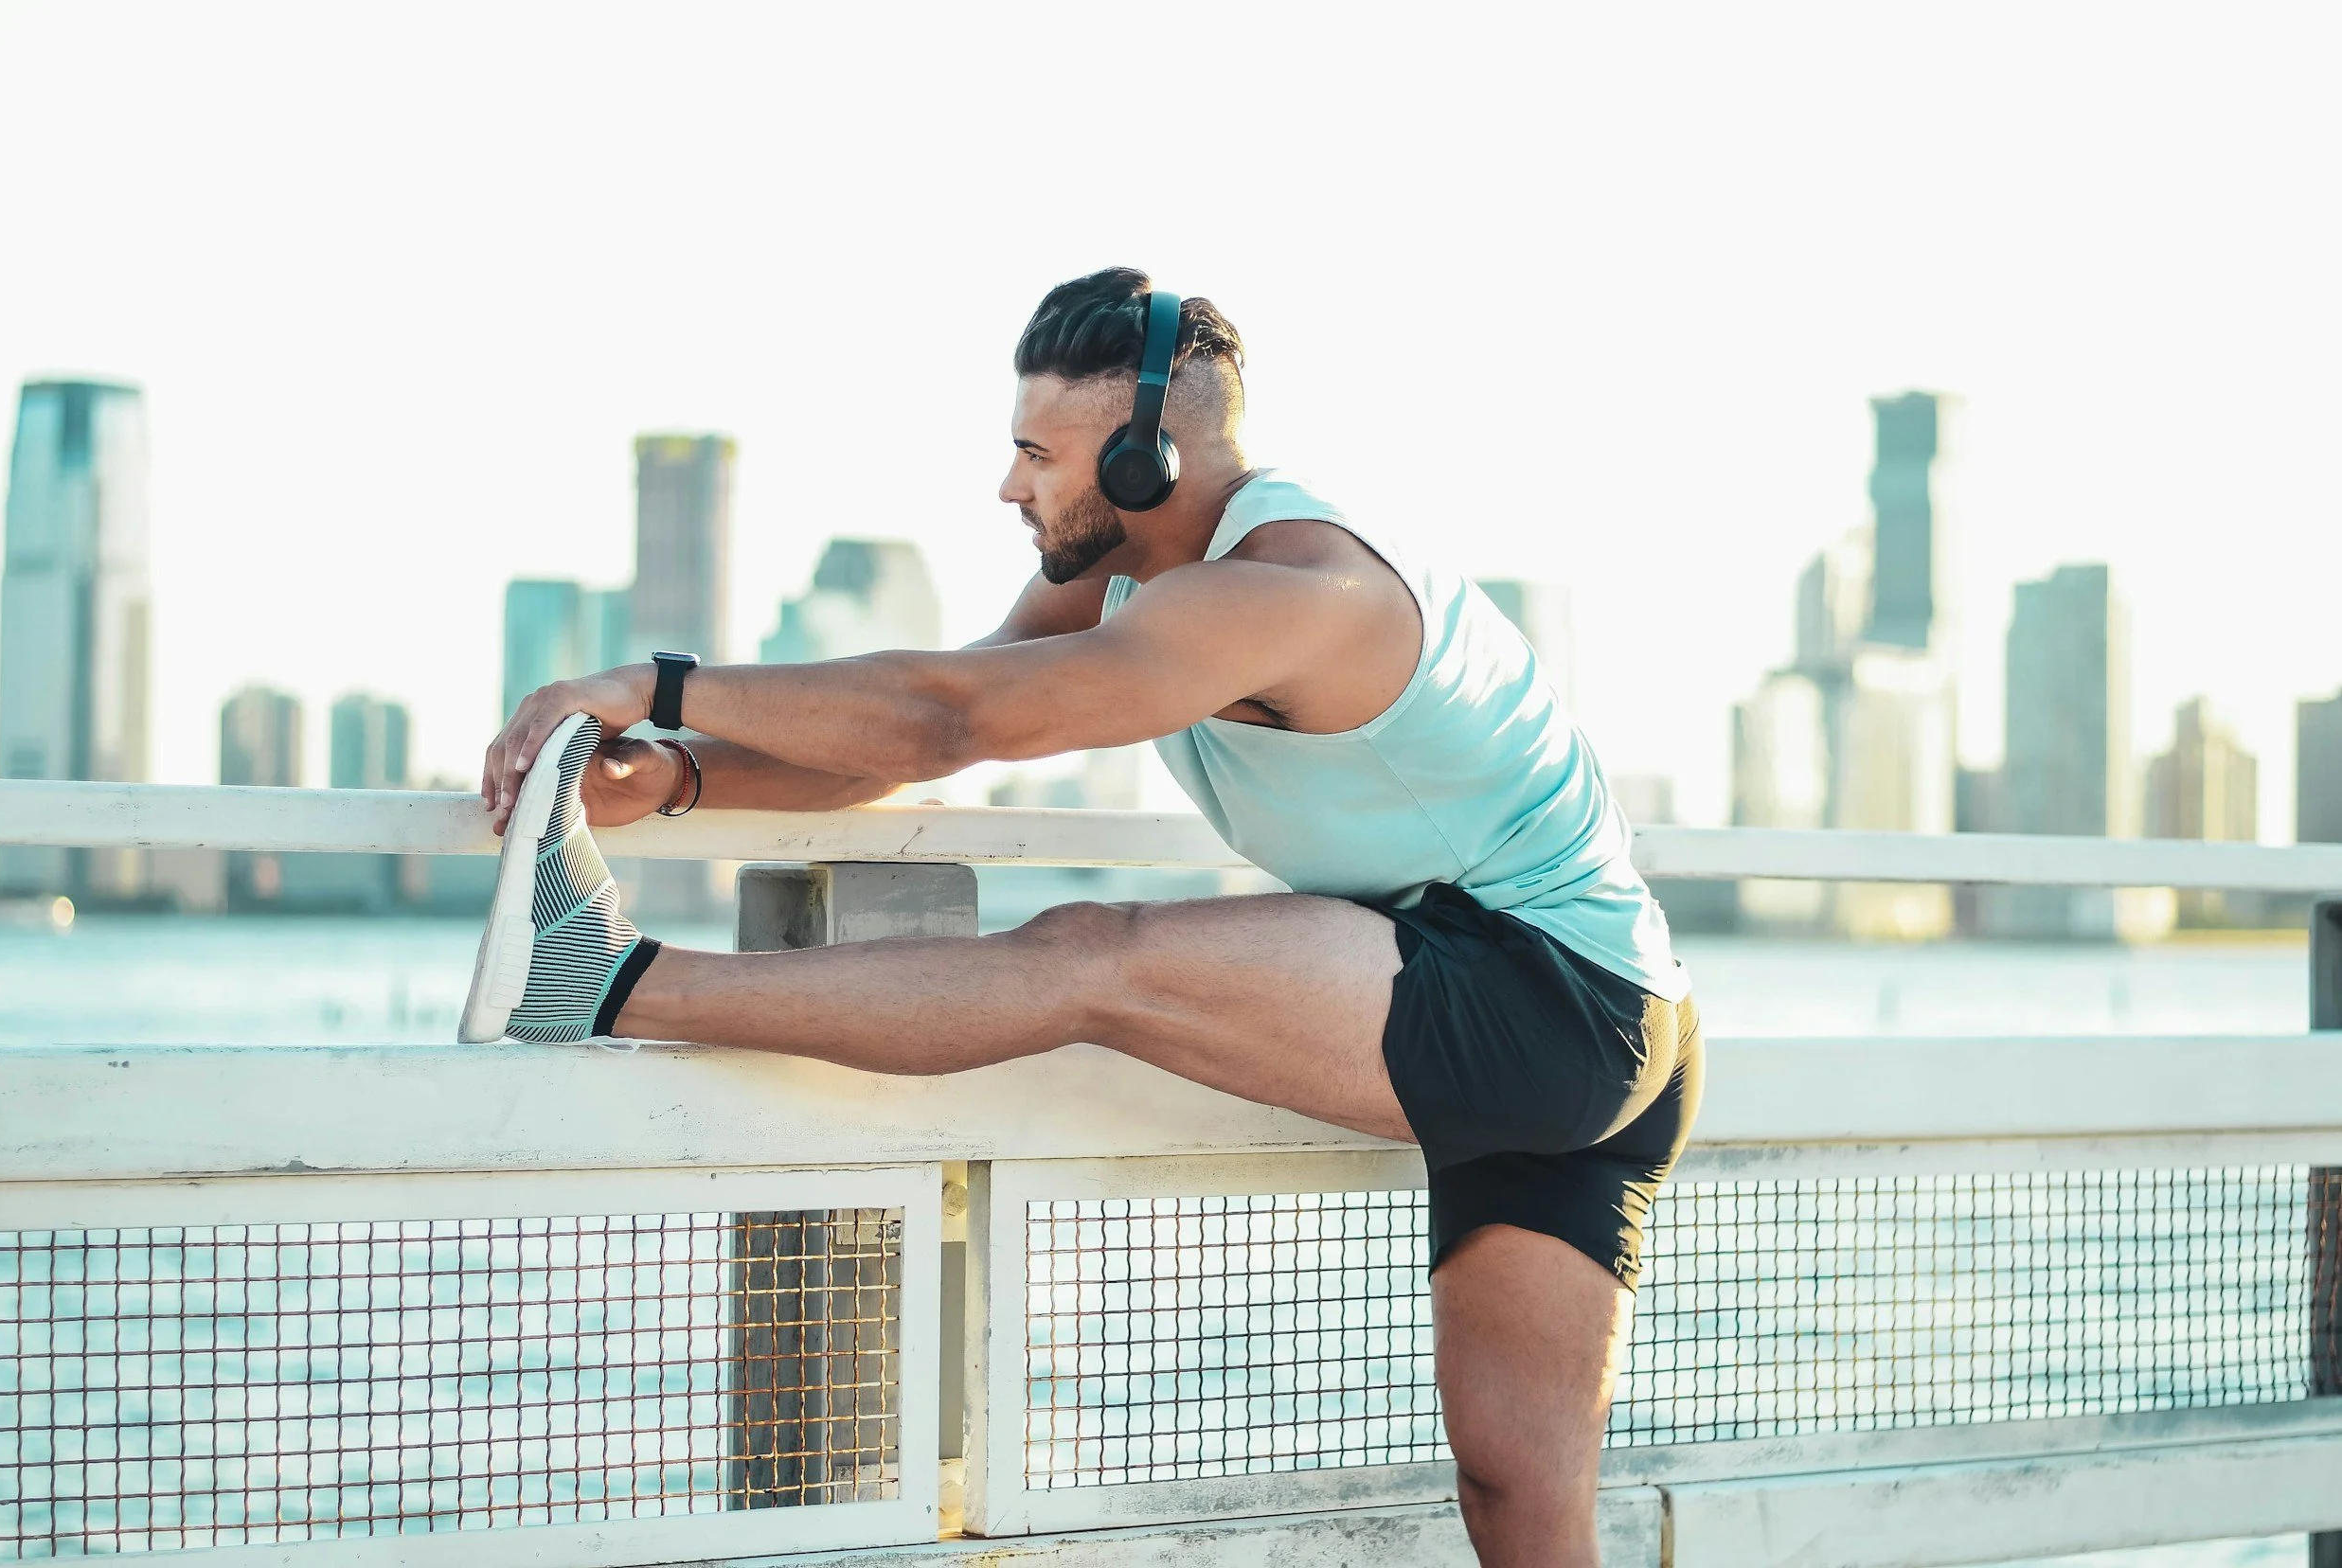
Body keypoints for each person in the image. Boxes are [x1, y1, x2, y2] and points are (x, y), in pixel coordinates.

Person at [469, 267, 1700, 1567]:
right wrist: (682, 778)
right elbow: (924, 732)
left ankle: (603, 982)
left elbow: (946, 716)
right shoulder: (1125, 574)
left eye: (1038, 455)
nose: (1009, 487)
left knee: (1092, 958)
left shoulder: (1290, 589)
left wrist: (655, 683)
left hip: (1554, 997)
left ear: (1144, 459)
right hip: (1599, 1020)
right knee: (1517, 1495)